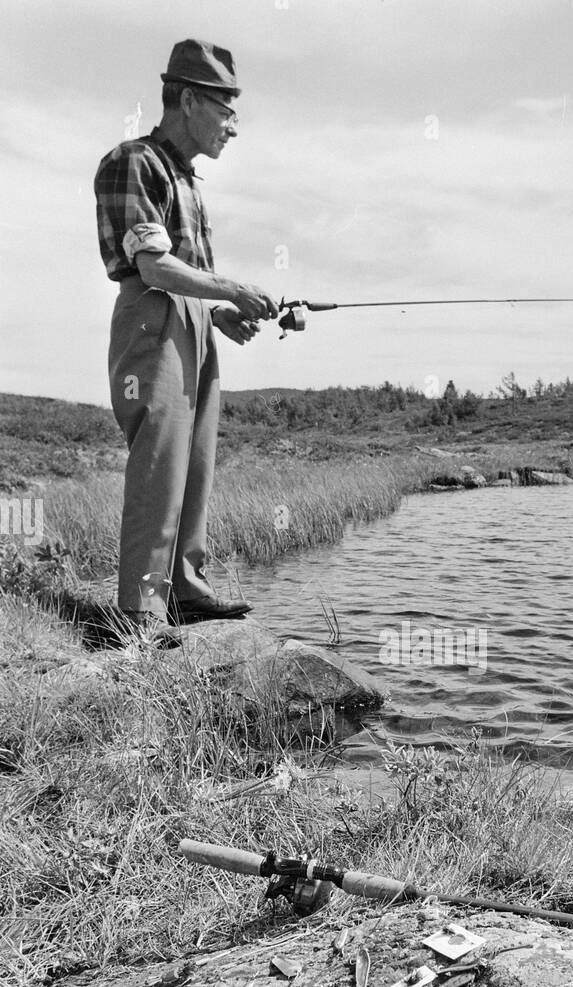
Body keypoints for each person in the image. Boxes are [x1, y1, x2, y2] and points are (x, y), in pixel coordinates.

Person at [94, 38, 279, 634]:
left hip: (192, 324)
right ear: (192, 100)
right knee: (161, 463)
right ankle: (142, 614)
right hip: (152, 316)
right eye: (227, 111)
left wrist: (217, 314)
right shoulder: (133, 161)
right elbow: (152, 267)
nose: (233, 127)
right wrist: (229, 290)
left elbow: (185, 274)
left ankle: (186, 590)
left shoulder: (189, 182)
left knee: (195, 463)